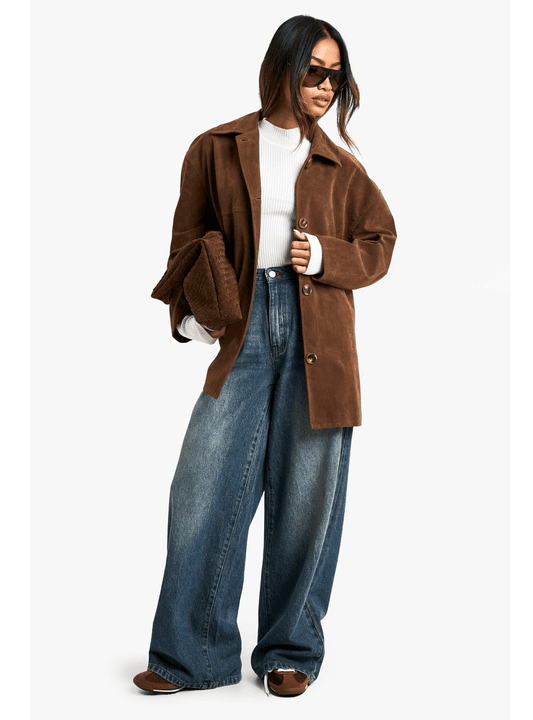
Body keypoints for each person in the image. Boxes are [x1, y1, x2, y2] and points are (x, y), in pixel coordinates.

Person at [133, 14, 397, 698]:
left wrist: (328, 256)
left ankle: (290, 652)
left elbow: (381, 241)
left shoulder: (341, 167)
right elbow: (187, 243)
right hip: (246, 329)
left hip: (322, 341)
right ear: (281, 67)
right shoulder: (215, 149)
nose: (325, 86)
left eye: (335, 75)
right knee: (202, 489)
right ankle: (192, 657)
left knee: (308, 500)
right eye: (314, 70)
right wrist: (190, 319)